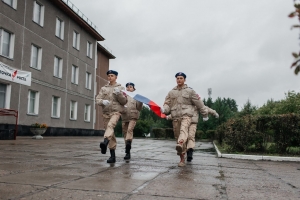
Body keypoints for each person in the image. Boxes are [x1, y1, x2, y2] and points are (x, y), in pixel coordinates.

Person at [162, 72, 208, 167]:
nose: (179, 80)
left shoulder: (190, 91)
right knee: (177, 136)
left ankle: (181, 142)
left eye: (181, 78)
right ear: (176, 79)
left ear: (185, 80)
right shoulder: (171, 92)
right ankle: (182, 158)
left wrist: (205, 114)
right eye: (177, 78)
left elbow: (199, 104)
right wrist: (164, 109)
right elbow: (167, 104)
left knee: (183, 131)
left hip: (187, 116)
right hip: (175, 117)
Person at [96, 70, 127, 163]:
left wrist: (119, 94)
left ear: (116, 77)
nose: (110, 77)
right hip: (106, 113)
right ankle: (112, 156)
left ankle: (105, 142)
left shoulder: (121, 88)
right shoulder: (103, 88)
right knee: (111, 134)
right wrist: (102, 102)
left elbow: (124, 102)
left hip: (116, 112)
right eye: (109, 75)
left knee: (110, 126)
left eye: (112, 75)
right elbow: (98, 99)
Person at [121, 82, 143, 160]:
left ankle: (128, 143)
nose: (129, 88)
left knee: (130, 130)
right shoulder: (123, 96)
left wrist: (140, 101)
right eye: (127, 87)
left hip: (133, 116)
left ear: (133, 88)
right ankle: (128, 151)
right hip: (124, 116)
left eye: (131, 87)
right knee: (125, 133)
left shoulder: (136, 96)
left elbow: (139, 108)